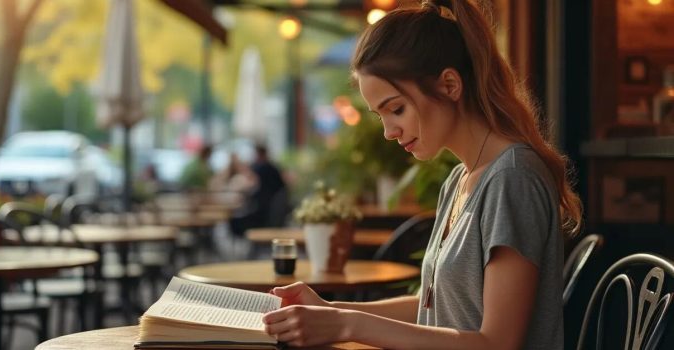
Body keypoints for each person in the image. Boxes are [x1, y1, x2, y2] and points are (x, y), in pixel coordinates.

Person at [262, 1, 583, 349]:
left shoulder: (513, 179)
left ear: (449, 84)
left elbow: (497, 343)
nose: (388, 131)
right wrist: (331, 310)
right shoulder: (459, 181)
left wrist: (347, 325)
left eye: (396, 109)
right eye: (380, 115)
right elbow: (436, 309)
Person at [229, 143, 288, 237]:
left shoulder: (261, 168)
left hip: (263, 215)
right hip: (269, 214)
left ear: (258, 154)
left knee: (234, 220)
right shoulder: (272, 168)